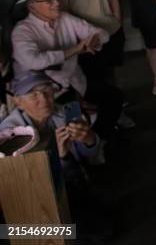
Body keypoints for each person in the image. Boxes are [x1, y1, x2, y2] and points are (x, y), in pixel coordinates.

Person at [1, 71, 112, 242]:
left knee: (102, 227)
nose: (44, 100)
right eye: (33, 94)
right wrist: (61, 157)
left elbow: (90, 154)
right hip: (34, 199)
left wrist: (89, 139)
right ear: (18, 102)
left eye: (47, 91)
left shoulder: (65, 112)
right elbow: (28, 185)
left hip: (69, 187)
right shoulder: (9, 133)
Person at [11, 0, 123, 141]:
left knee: (114, 97)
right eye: (49, 0)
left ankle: (97, 140)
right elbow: (33, 62)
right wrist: (76, 49)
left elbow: (102, 33)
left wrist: (94, 40)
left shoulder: (65, 18)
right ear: (32, 6)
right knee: (72, 119)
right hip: (47, 94)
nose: (56, 3)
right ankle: (80, 150)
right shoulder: (22, 31)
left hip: (76, 83)